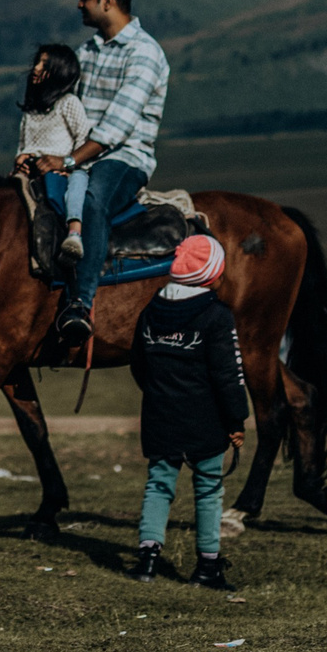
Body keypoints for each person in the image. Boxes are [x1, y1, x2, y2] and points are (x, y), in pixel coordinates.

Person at [28, 0, 170, 347]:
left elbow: (117, 128)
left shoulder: (145, 54)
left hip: (126, 158)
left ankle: (80, 304)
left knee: (94, 201)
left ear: (107, 1)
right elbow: (64, 107)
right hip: (80, 154)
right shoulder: (85, 52)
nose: (79, 4)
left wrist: (69, 161)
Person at [127, 234, 248, 589]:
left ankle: (147, 559)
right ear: (212, 274)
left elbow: (138, 363)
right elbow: (229, 374)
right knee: (209, 489)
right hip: (205, 421)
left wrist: (157, 395)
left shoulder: (151, 309)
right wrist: (236, 420)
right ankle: (207, 567)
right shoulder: (216, 315)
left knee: (159, 485)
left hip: (159, 415)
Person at [14, 41, 90, 254]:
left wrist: (67, 164)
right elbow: (23, 143)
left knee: (77, 185)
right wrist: (20, 158)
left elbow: (83, 137)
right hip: (33, 170)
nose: (36, 68)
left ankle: (75, 232)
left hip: (65, 168)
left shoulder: (68, 103)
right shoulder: (31, 111)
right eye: (37, 62)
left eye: (45, 65)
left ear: (60, 72)